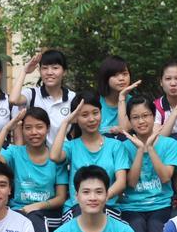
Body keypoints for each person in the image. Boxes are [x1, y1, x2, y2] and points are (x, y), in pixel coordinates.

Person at [0, 107, 68, 232]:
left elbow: (61, 197)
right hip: (18, 211)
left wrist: (38, 206)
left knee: (33, 217)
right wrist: (6, 129)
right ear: (22, 130)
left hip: (48, 213)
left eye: (39, 127)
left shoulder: (55, 157)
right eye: (28, 128)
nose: (34, 132)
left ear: (47, 128)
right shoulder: (15, 152)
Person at [120, 96, 177, 232]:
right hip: (131, 205)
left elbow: (166, 177)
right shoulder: (123, 146)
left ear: (154, 117)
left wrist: (150, 148)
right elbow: (131, 182)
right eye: (135, 117)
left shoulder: (169, 144)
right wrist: (140, 150)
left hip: (160, 203)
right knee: (136, 222)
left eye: (145, 115)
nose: (141, 121)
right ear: (130, 121)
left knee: (155, 223)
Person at [50, 91, 129, 221]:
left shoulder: (115, 146)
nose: (91, 119)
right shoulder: (71, 146)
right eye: (84, 115)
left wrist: (98, 199)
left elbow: (121, 182)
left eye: (95, 113)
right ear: (75, 118)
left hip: (108, 206)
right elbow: (54, 156)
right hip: (76, 208)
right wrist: (65, 123)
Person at [9, 50, 75, 145]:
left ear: (64, 72)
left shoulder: (72, 98)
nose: (49, 72)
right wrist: (24, 71)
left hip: (64, 153)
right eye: (44, 68)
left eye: (55, 68)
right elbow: (13, 100)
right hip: (36, 153)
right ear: (39, 71)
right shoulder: (32, 94)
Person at [97, 55, 139, 135]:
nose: (121, 78)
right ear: (105, 78)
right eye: (115, 75)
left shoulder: (135, 103)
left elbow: (124, 130)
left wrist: (122, 97)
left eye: (125, 74)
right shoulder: (95, 102)